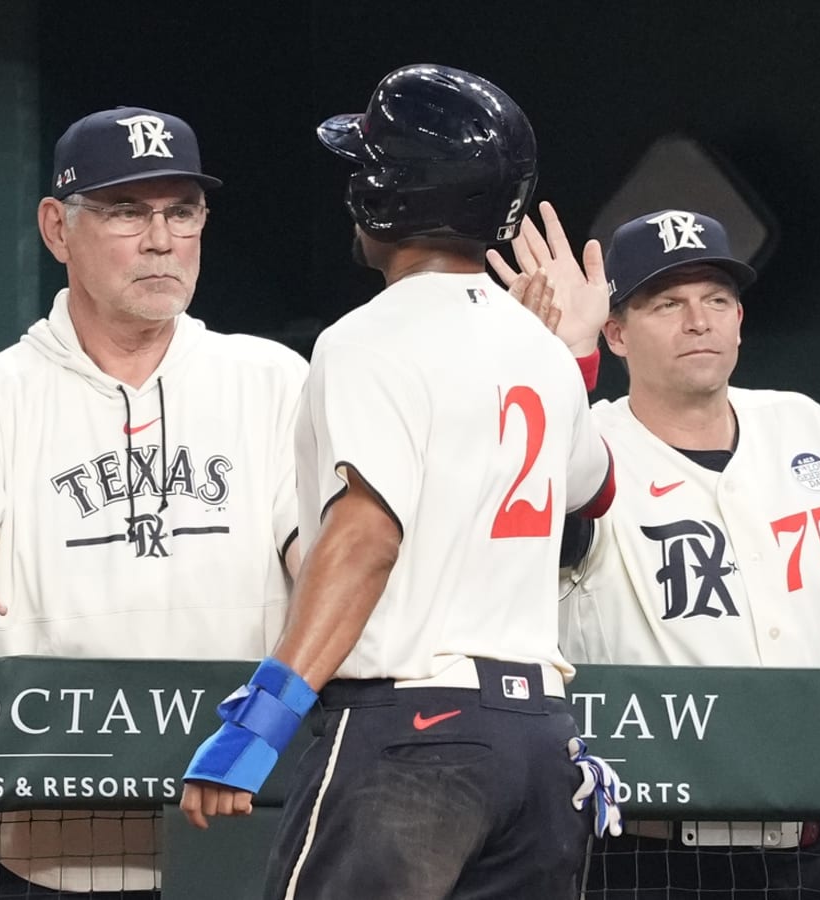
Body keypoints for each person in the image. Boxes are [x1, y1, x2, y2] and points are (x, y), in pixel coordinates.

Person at [179, 64, 619, 900]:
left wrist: (263, 720)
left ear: (393, 192)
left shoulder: (366, 339)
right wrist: (571, 361)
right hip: (539, 740)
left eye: (365, 166)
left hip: (415, 738)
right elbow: (591, 497)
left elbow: (365, 538)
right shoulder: (546, 352)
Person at [0, 106, 308, 899]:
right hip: (55, 846)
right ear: (57, 227)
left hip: (238, 832)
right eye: (126, 212)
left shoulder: (273, 380)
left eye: (180, 212)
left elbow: (318, 561)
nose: (161, 240)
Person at [490, 203, 820, 898]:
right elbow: (540, 534)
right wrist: (558, 365)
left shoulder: (803, 425)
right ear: (615, 333)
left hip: (815, 849)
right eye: (667, 303)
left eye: (717, 298)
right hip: (647, 850)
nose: (699, 320)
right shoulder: (582, 445)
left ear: (739, 318)